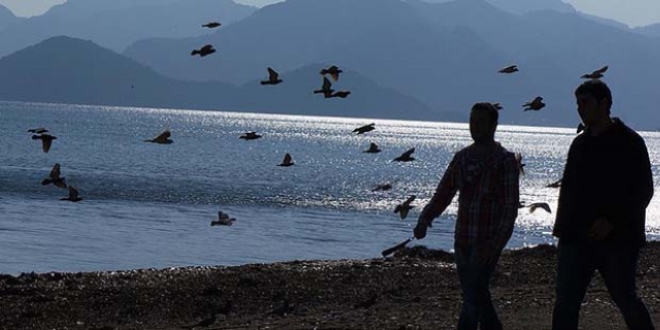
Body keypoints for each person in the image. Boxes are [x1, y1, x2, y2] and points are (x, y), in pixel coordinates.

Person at [552, 80, 655, 330]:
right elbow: (569, 191)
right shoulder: (579, 144)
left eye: (585, 102)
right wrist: (562, 232)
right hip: (576, 238)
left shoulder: (630, 142)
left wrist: (612, 222)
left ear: (605, 103)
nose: (580, 108)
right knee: (565, 304)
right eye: (578, 103)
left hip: (618, 240)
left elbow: (642, 190)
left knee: (626, 299)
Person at [414, 102, 520, 330]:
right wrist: (425, 219)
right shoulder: (462, 158)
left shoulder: (505, 161)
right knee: (477, 295)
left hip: (486, 243)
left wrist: (494, 245)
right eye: (472, 121)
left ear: (493, 126)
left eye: (480, 122)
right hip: (462, 241)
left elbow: (509, 210)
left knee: (471, 300)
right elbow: (443, 194)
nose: (474, 126)